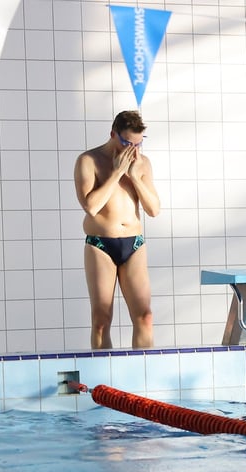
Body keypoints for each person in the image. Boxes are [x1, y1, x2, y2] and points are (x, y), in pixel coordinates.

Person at [74, 110, 160, 349]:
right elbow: (91, 206)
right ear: (113, 134)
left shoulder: (142, 164)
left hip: (134, 244)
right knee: (101, 319)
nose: (132, 149)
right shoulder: (88, 161)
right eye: (127, 143)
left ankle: (145, 376)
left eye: (138, 144)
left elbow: (153, 209)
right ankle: (105, 382)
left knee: (145, 316)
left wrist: (134, 177)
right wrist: (116, 173)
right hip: (100, 245)